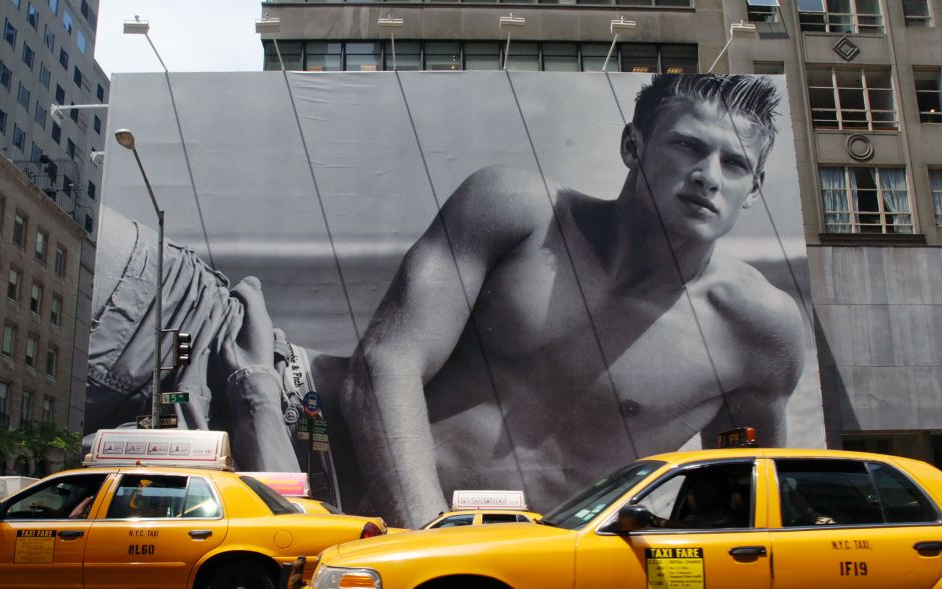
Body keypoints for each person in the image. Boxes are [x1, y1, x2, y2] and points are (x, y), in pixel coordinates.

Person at [87, 74, 805, 528]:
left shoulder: (760, 329)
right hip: (250, 376)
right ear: (633, 146)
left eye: (735, 163)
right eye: (687, 148)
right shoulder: (520, 210)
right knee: (61, 238)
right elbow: (384, 365)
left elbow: (746, 505)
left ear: (755, 186)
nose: (708, 176)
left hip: (303, 519)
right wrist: (428, 553)